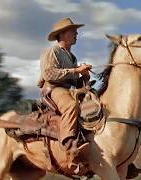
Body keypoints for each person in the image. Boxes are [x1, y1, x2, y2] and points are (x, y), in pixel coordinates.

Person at [37, 18, 91, 157]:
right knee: (70, 105)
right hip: (54, 89)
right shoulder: (51, 51)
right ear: (61, 34)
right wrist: (76, 71)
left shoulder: (72, 57)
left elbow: (74, 81)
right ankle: (68, 143)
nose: (76, 34)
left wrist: (84, 76)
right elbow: (49, 74)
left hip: (68, 89)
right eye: (73, 31)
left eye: (76, 31)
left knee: (96, 103)